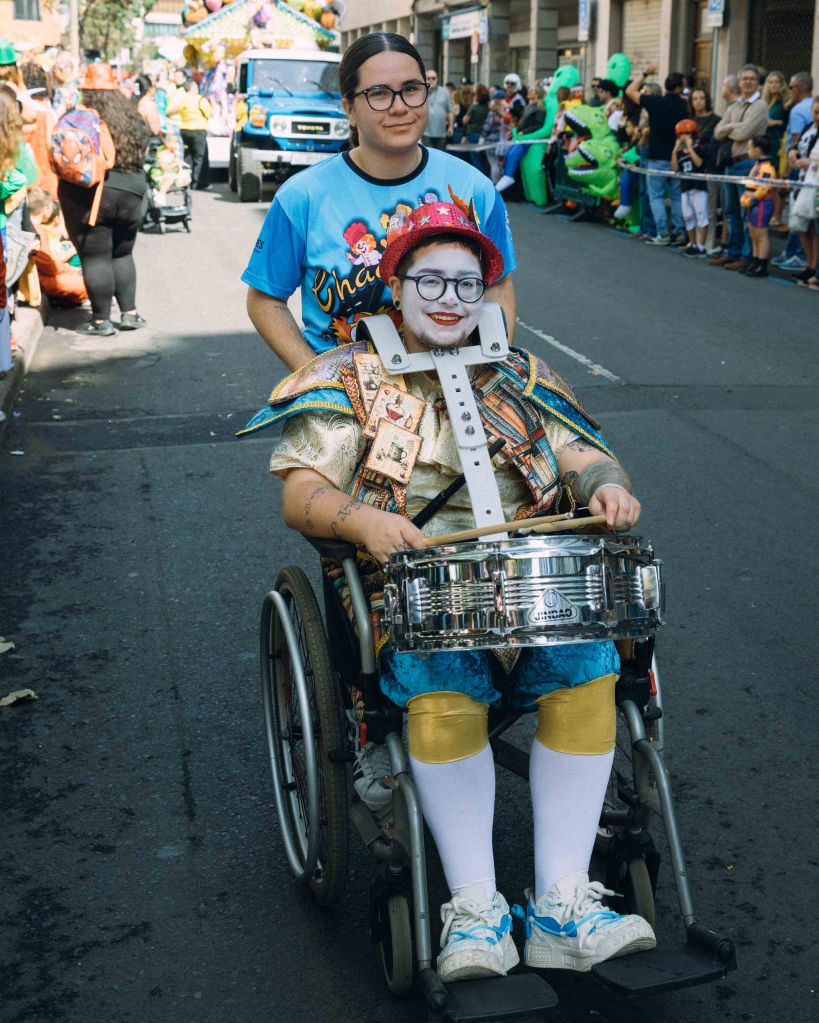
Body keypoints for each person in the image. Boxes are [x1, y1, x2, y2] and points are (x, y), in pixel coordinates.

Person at [252, 199, 655, 982]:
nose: (448, 299)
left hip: (533, 586)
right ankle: (473, 905)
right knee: (444, 685)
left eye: (466, 285)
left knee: (586, 667)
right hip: (414, 588)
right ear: (394, 286)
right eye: (429, 280)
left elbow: (582, 454)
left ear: (484, 295)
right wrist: (360, 519)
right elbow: (299, 494)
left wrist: (606, 485)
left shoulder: (519, 371)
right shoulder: (344, 377)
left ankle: (562, 905)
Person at [242, 31, 516, 372]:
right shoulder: (303, 196)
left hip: (455, 392)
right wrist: (316, 380)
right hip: (345, 404)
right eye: (379, 94)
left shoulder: (473, 187)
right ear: (349, 109)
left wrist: (487, 370)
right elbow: (266, 298)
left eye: (412, 89)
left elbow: (499, 282)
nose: (399, 107)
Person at [57, 63, 150, 336]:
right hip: (133, 191)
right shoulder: (131, 116)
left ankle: (101, 320)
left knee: (95, 256)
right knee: (122, 252)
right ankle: (130, 313)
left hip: (95, 194)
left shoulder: (78, 116)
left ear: (86, 90)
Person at [709, 65, 768, 271]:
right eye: (744, 79)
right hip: (730, 164)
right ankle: (732, 253)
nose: (748, 82)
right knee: (730, 212)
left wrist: (730, 129)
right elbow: (717, 132)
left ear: (758, 82)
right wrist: (730, 127)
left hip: (748, 164)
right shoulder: (734, 107)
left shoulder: (760, 106)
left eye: (752, 79)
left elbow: (745, 133)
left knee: (745, 213)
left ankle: (747, 255)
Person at [625, 66, 687, 245]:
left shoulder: (655, 102)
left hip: (656, 155)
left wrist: (645, 73)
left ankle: (662, 233)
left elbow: (630, 91)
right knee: (676, 196)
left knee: (656, 196)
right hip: (676, 155)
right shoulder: (683, 105)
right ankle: (678, 230)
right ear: (679, 87)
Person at [27, 187, 87, 305]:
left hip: (41, 275)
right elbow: (50, 266)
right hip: (41, 279)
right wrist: (71, 270)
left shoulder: (32, 226)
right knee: (86, 285)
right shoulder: (37, 230)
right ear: (45, 209)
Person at [786, 97, 819, 290]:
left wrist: (812, 164)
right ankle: (810, 265)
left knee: (816, 227)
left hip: (816, 185)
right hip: (804, 181)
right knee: (802, 225)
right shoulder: (810, 127)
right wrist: (793, 153)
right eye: (815, 112)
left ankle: (815, 269)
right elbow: (798, 146)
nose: (817, 117)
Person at [495, 84, 546, 193]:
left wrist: (525, 132)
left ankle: (508, 177)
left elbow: (538, 125)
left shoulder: (540, 108)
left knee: (513, 154)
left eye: (531, 91)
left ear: (536, 94)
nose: (528, 92)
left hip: (527, 137)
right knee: (509, 154)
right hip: (521, 136)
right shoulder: (530, 106)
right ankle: (506, 177)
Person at [739, 134, 776, 277]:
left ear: (758, 149)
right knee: (753, 234)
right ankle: (755, 260)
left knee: (761, 234)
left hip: (761, 202)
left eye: (750, 148)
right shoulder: (757, 165)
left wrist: (752, 198)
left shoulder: (767, 168)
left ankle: (762, 264)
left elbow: (764, 187)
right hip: (751, 200)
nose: (748, 151)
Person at [166, 77, 211, 190]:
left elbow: (170, 110)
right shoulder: (200, 99)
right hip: (198, 130)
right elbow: (209, 112)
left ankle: (186, 181)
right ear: (193, 88)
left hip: (184, 130)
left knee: (188, 156)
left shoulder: (182, 100)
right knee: (200, 157)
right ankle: (199, 182)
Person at [671, 119, 707, 257]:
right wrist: (675, 150)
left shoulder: (699, 149)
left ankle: (701, 246)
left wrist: (690, 148)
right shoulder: (679, 153)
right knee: (688, 217)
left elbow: (699, 163)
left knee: (701, 216)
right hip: (685, 188)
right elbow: (674, 168)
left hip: (698, 187)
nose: (684, 137)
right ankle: (692, 243)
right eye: (681, 134)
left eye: (687, 134)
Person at [422, 67, 452, 150]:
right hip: (425, 132)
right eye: (428, 78)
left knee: (440, 155)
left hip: (441, 132)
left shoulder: (445, 92)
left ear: (437, 79)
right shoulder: (421, 91)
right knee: (428, 155)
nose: (431, 80)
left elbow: (450, 111)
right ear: (425, 79)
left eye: (434, 78)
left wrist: (451, 126)